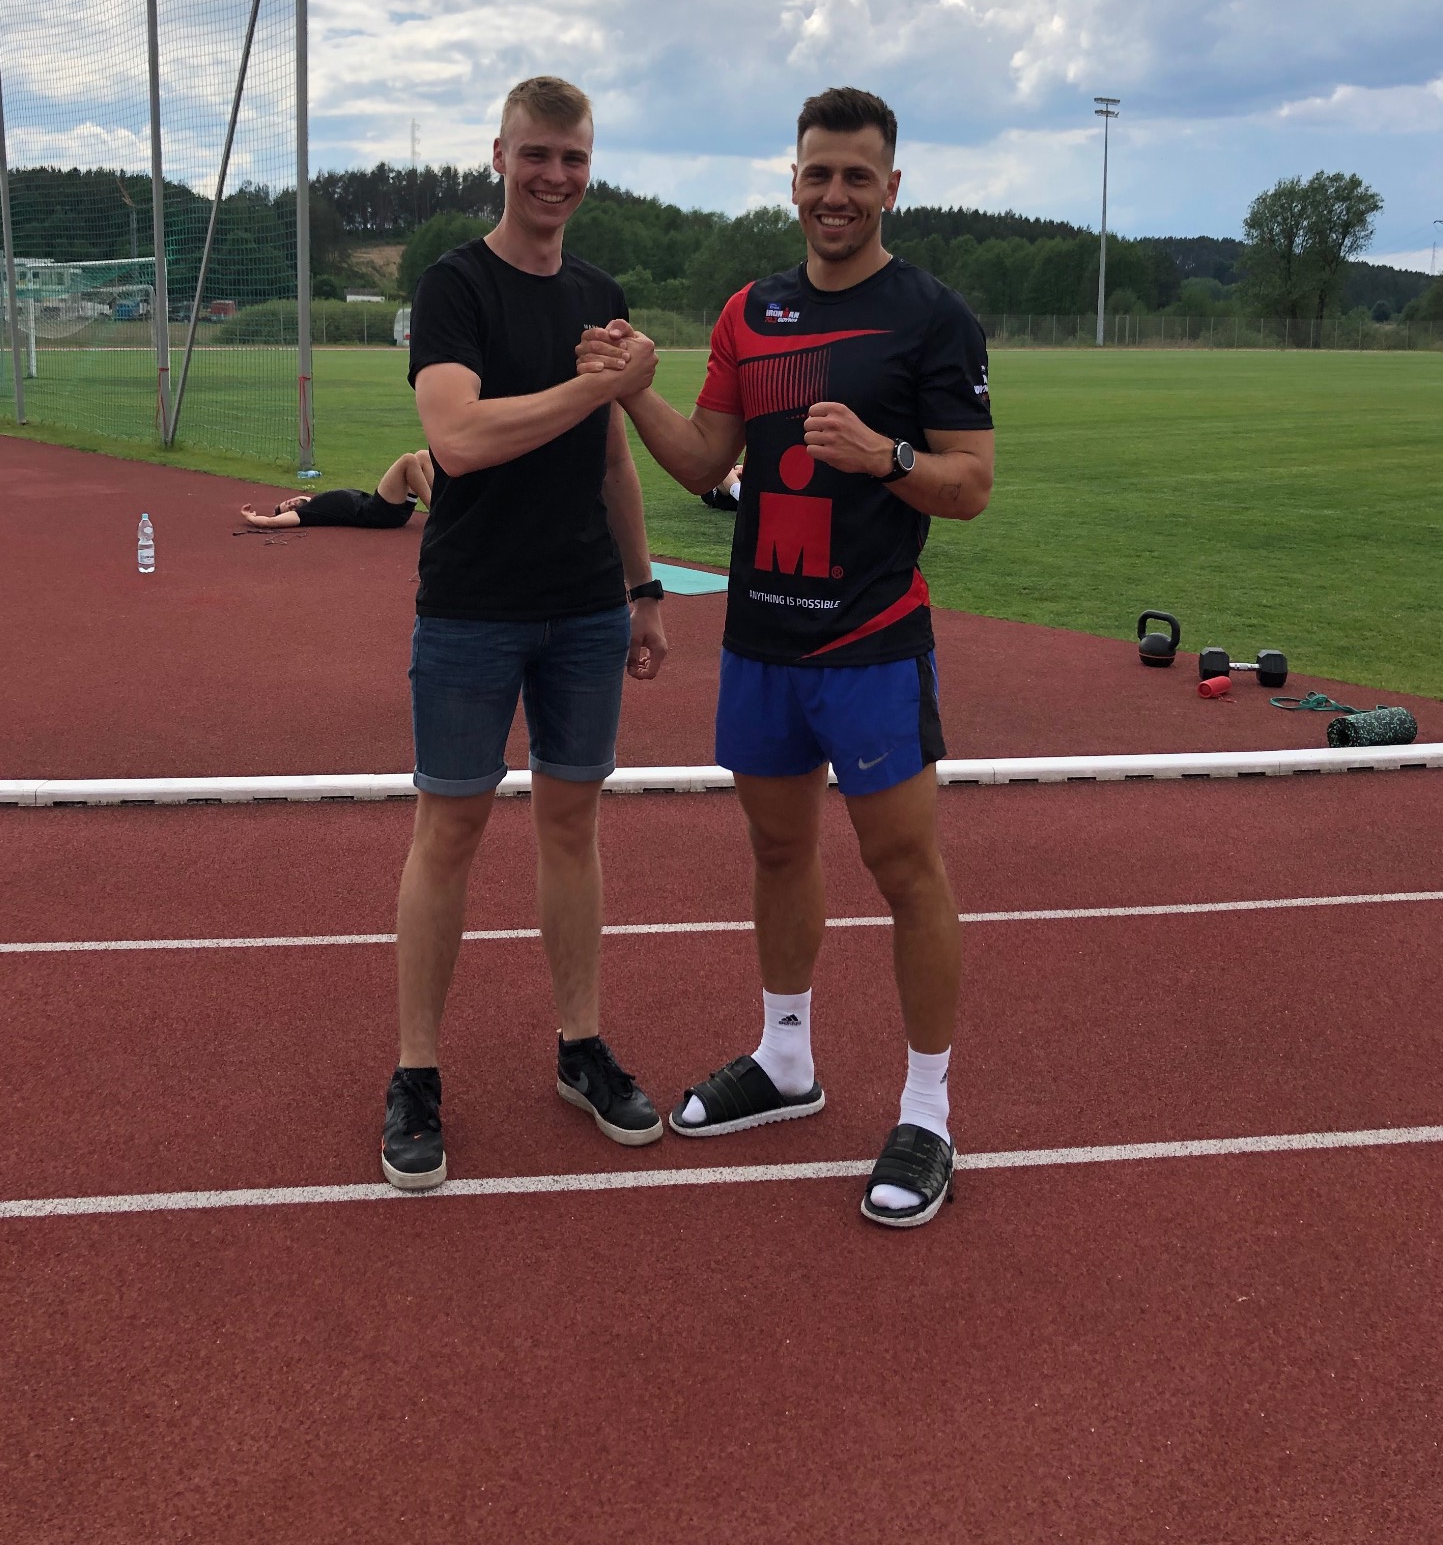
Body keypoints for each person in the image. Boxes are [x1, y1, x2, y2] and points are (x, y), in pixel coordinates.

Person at [577, 86, 993, 1229]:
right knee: (776, 848)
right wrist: (632, 391)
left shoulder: (933, 316)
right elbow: (705, 458)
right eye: (818, 173)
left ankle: (928, 1108)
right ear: (793, 180)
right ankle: (786, 1055)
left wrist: (883, 453)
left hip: (871, 641)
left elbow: (969, 486)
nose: (834, 194)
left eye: (857, 175)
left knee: (906, 869)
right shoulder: (749, 312)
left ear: (891, 186)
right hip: (763, 639)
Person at [381, 74, 669, 1193]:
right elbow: (457, 438)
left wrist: (644, 586)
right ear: (498, 155)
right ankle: (416, 1073)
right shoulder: (454, 285)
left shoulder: (599, 293)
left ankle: (580, 1046)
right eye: (537, 153)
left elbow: (611, 457)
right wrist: (593, 385)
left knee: (572, 826)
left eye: (574, 156)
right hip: (471, 606)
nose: (556, 175)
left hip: (586, 606)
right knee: (448, 830)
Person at [238, 450, 434, 530]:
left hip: (387, 509)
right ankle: (438, 514)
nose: (291, 504)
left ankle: (447, 503)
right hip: (378, 513)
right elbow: (271, 522)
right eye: (289, 508)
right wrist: (252, 518)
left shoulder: (316, 500)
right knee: (408, 460)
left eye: (288, 502)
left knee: (422, 456)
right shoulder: (308, 513)